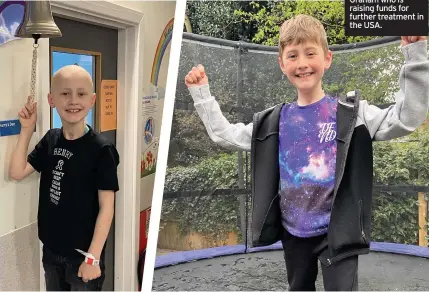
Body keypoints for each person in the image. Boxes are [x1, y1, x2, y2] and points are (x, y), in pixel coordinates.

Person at [184, 14, 428, 291]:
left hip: (338, 231)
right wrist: (201, 94)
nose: (302, 64)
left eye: (310, 53)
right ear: (282, 63)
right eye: (292, 55)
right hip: (294, 232)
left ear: (327, 58)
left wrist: (415, 56)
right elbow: (224, 135)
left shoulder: (350, 115)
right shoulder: (275, 121)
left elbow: (405, 118)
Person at [9, 65, 120, 291]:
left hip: (82, 256)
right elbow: (17, 171)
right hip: (51, 252)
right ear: (52, 99)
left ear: (92, 100)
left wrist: (93, 258)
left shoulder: (101, 149)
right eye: (65, 93)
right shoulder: (51, 139)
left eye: (81, 94)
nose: (73, 101)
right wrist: (27, 130)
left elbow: (107, 208)